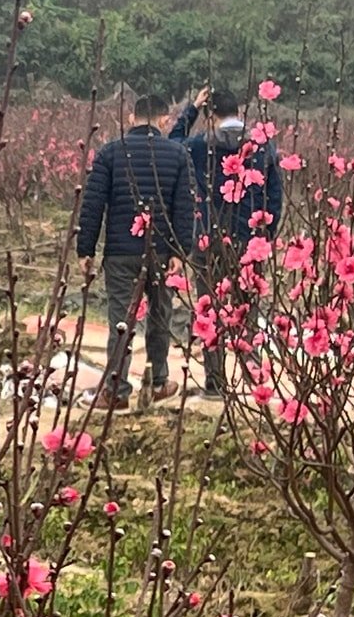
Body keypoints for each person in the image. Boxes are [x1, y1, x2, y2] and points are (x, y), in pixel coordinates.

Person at [75, 92, 199, 409]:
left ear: (131, 119)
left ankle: (117, 391)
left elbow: (92, 205)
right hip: (161, 251)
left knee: (121, 320)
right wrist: (180, 252)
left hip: (119, 252)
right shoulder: (177, 154)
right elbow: (185, 208)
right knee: (160, 316)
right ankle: (158, 381)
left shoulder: (109, 153)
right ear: (163, 121)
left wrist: (85, 249)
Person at [170, 86, 283, 398]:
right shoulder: (262, 145)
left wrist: (191, 110)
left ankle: (215, 383)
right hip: (250, 241)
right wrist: (266, 236)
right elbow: (275, 196)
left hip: (209, 238)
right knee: (248, 308)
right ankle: (253, 375)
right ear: (239, 112)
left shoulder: (198, 144)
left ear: (212, 114)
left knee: (210, 311)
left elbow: (170, 145)